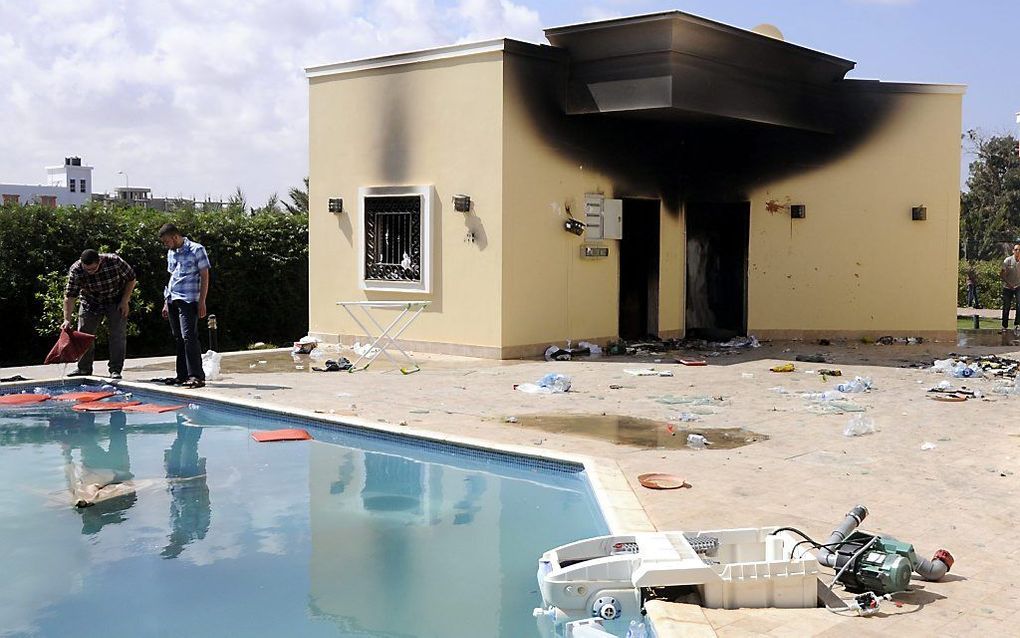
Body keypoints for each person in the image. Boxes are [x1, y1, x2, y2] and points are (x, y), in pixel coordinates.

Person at [62, 249, 137, 379]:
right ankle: (84, 368)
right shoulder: (76, 269)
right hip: (90, 302)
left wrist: (125, 300)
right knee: (84, 334)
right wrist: (66, 319)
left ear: (100, 261)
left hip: (115, 300)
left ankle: (115, 369)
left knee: (117, 335)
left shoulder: (114, 261)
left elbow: (131, 279)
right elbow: (70, 296)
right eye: (87, 269)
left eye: (92, 269)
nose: (89, 272)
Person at [159, 223, 211, 388]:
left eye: (167, 241)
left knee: (189, 336)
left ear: (175, 237)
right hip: (172, 298)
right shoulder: (171, 253)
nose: (166, 245)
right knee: (179, 338)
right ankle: (182, 375)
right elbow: (172, 277)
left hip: (189, 299)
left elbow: (205, 276)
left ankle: (196, 375)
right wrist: (166, 302)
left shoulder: (197, 250)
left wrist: (202, 301)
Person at [1001, 245, 1020, 333]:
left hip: (1018, 287)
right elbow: (1002, 274)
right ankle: (1004, 326)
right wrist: (1009, 284)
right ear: (1013, 251)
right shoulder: (1007, 261)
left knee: (1019, 305)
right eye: (1016, 250)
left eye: (1019, 250)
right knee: (1006, 306)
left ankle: (1017, 324)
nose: (1017, 251)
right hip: (1007, 287)